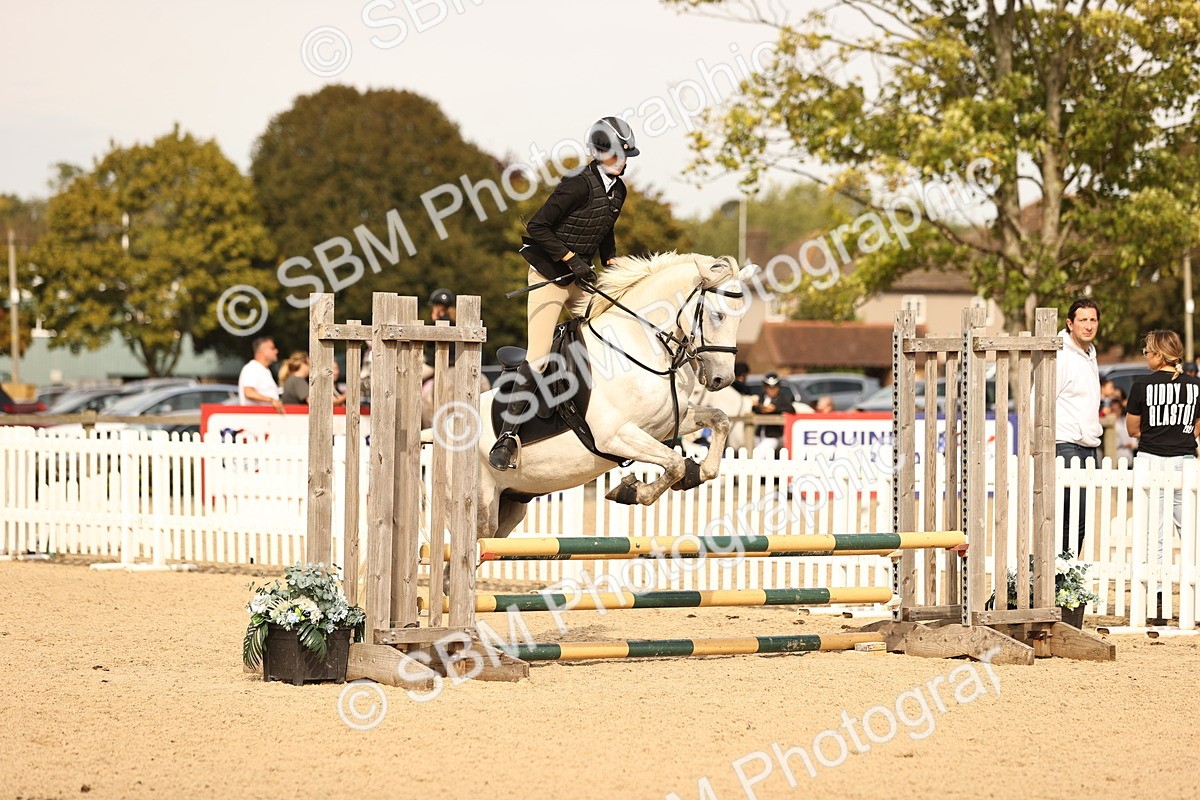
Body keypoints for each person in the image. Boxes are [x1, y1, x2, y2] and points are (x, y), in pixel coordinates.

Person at [489, 116, 639, 470]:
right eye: (616, 155)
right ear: (599, 153)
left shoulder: (618, 190)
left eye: (625, 155)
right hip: (549, 276)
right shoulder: (577, 184)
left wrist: (611, 262)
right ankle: (507, 437)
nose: (622, 161)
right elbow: (538, 226)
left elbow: (604, 229)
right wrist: (571, 258)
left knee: (611, 338)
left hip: (579, 279)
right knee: (539, 357)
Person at [1125, 330, 1200, 569]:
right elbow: (1197, 426)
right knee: (1191, 530)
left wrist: (1157, 433)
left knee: (1153, 530)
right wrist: (1178, 435)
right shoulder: (1196, 385)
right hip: (1185, 460)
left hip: (1151, 459)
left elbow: (1132, 429)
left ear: (1159, 354)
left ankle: (1156, 587)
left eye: (1147, 352)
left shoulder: (1141, 385)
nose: (1145, 356)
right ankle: (1195, 583)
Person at [1056, 299, 1101, 555]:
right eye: (1082, 320)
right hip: (1066, 444)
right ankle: (1058, 571)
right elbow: (1040, 397)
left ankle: (1066, 569)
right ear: (1070, 323)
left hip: (1088, 446)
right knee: (1069, 516)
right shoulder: (1061, 356)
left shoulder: (1089, 354)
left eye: (1093, 320)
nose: (1088, 325)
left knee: (1081, 519)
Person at [751, 372, 799, 457]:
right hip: (759, 433)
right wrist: (758, 407)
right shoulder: (762, 397)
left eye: (775, 387)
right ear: (764, 388)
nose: (772, 390)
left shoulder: (782, 398)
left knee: (758, 456)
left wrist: (776, 409)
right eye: (769, 387)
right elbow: (756, 410)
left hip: (774, 435)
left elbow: (791, 409)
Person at [238, 336, 285, 413]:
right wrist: (271, 400)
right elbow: (249, 393)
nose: (276, 351)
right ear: (263, 351)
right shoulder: (252, 368)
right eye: (272, 348)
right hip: (255, 417)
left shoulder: (264, 370)